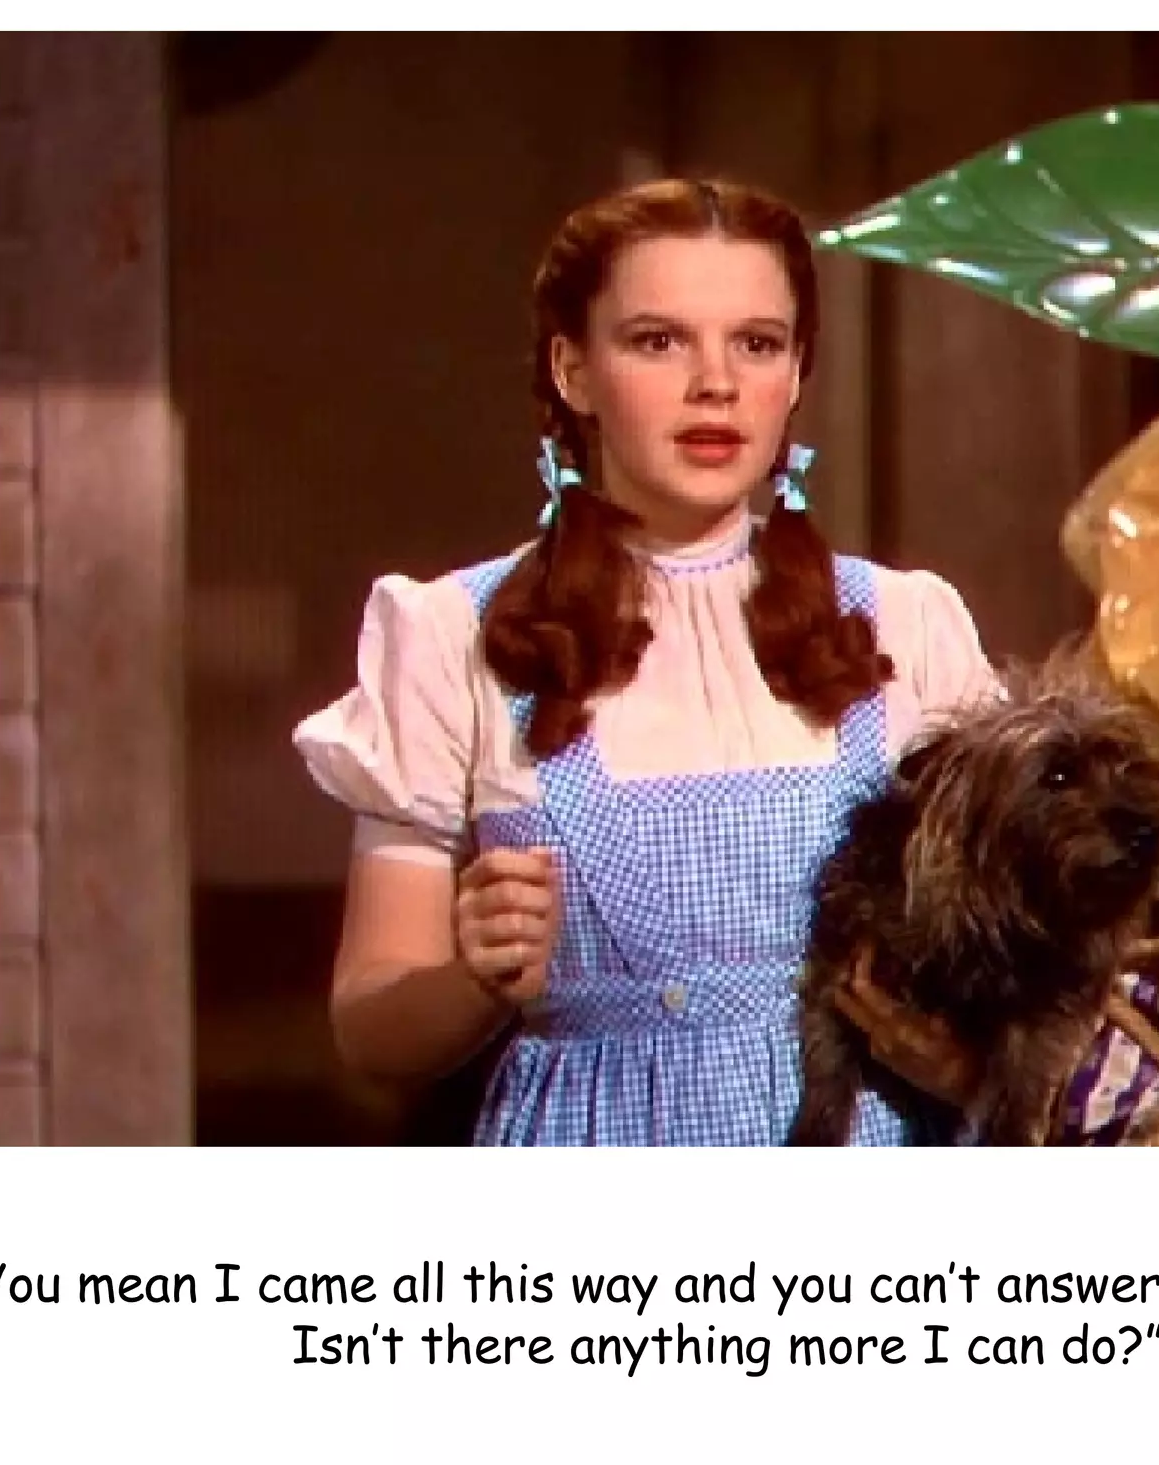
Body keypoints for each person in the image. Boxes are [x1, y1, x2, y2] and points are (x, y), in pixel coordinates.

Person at [292, 177, 1001, 1145]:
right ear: (572, 371)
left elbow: (1022, 972)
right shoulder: (453, 633)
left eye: (756, 343)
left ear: (796, 372)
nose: (715, 383)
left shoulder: (906, 627)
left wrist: (965, 1062)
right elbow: (372, 1026)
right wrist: (476, 979)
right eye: (658, 341)